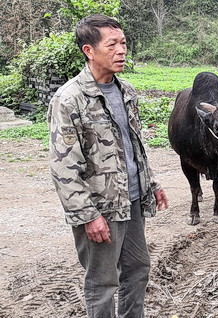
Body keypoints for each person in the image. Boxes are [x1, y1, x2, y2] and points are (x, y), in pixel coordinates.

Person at [47, 14, 169, 317]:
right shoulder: (70, 99)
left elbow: (134, 145)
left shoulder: (126, 91)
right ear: (89, 50)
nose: (121, 50)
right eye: (112, 44)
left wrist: (151, 185)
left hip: (132, 201)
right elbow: (64, 168)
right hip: (100, 208)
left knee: (138, 270)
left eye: (124, 43)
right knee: (102, 284)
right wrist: (89, 216)